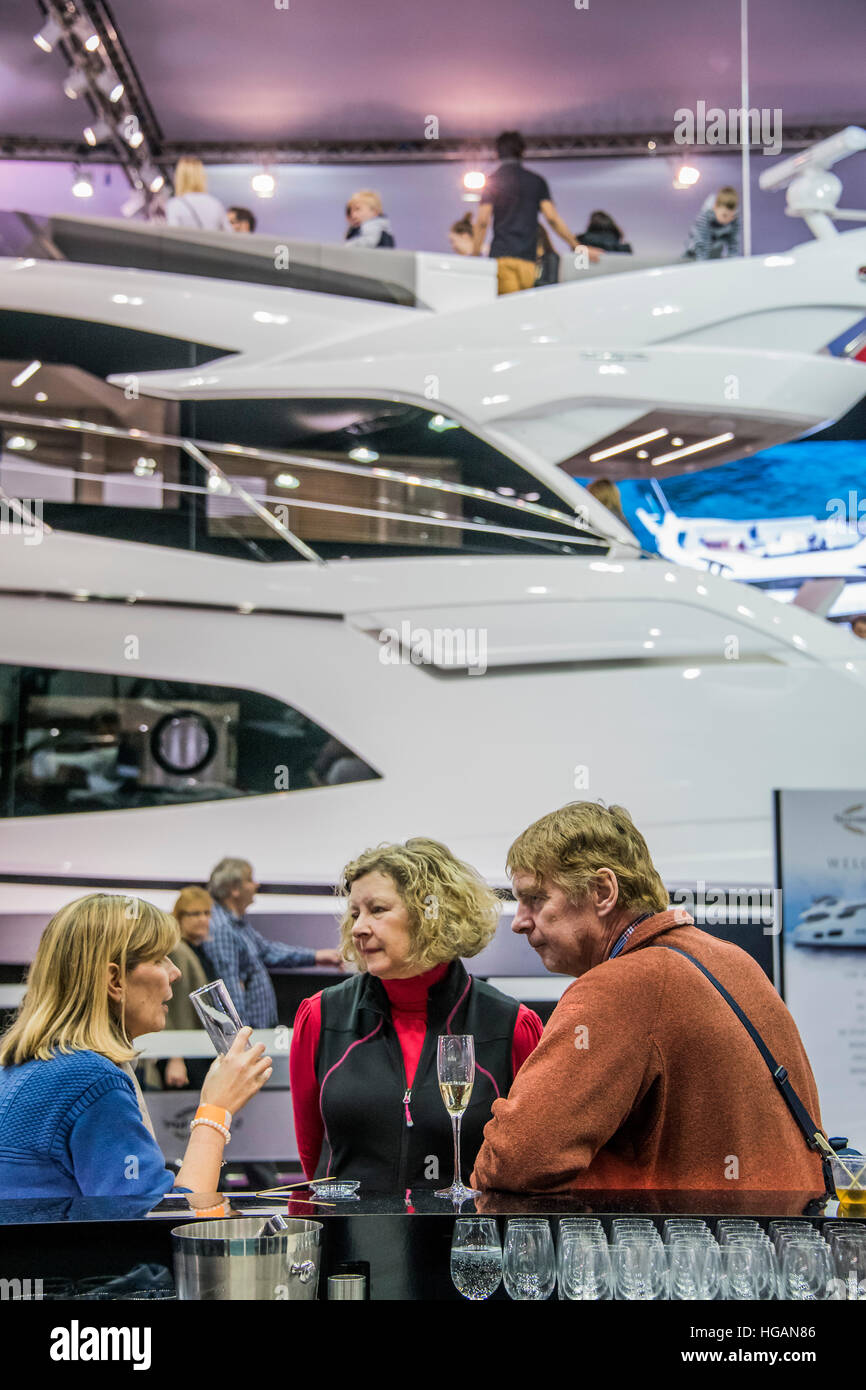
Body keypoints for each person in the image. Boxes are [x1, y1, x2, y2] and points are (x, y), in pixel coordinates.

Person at [472, 802, 826, 1194]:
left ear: (602, 891)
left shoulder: (619, 987)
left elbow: (517, 1159)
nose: (519, 921)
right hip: (778, 1243)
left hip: (682, 1250)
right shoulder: (731, 959)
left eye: (536, 898)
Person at [290, 838, 543, 1188]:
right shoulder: (320, 1016)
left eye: (377, 910)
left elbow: (529, 1161)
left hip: (466, 1241)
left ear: (431, 914)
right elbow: (312, 1154)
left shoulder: (510, 1025)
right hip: (349, 1240)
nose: (359, 928)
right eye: (354, 913)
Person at [0, 893, 271, 1198]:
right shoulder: (92, 1080)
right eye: (158, 959)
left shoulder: (18, 1070)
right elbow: (159, 1223)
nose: (175, 972)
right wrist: (215, 1109)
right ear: (114, 980)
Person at [206, 858, 343, 1029]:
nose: (256, 885)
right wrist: (242, 1037)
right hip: (248, 1035)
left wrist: (316, 957)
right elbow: (229, 990)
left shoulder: (237, 925)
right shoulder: (222, 928)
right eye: (249, 879)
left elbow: (268, 951)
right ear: (234, 889)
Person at [472, 130, 601, 295]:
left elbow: (482, 221)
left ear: (497, 152)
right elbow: (552, 218)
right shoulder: (536, 181)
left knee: (508, 311)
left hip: (501, 257)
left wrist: (474, 254)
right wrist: (577, 247)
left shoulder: (492, 182)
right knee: (524, 311)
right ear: (522, 152)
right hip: (529, 259)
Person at [160, 887, 217, 1091]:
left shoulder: (197, 948)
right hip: (185, 1053)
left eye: (206, 913)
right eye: (195, 914)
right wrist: (176, 1058)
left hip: (197, 1047)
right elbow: (175, 1007)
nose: (202, 919)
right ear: (180, 917)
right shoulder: (177, 951)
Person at [165, 158, 230, 232]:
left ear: (180, 178)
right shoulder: (215, 204)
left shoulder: (175, 204)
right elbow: (229, 233)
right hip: (209, 243)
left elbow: (173, 235)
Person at [684, 186, 741, 260]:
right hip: (694, 255)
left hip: (714, 254)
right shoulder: (704, 218)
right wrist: (703, 267)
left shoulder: (734, 220)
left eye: (732, 216)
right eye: (724, 215)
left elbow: (734, 244)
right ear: (715, 207)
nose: (728, 220)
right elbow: (702, 245)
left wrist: (733, 263)